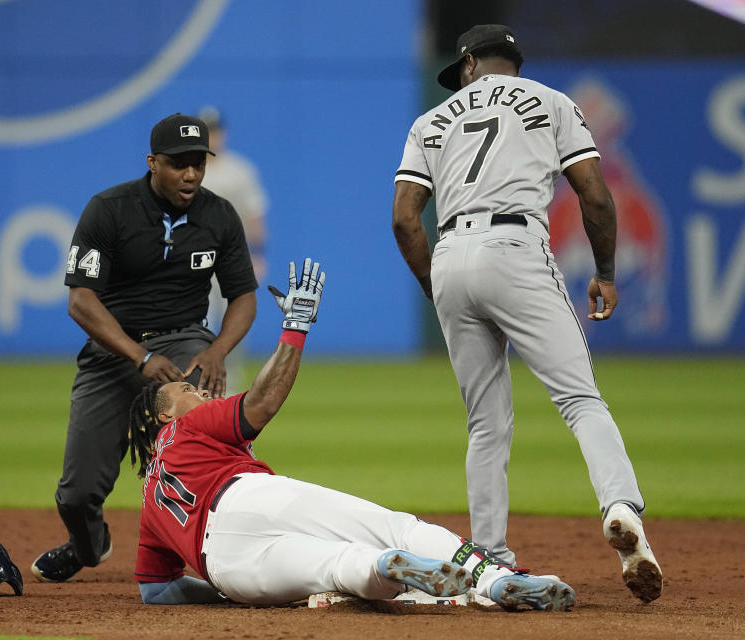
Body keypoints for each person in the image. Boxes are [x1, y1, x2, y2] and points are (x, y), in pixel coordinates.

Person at [131, 258, 576, 612]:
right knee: (395, 527)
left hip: (230, 571)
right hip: (244, 499)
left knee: (340, 567)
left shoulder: (150, 501)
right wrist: (295, 327)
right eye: (185, 390)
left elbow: (158, 591)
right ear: (162, 419)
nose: (197, 391)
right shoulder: (186, 426)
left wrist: (221, 592)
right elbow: (261, 403)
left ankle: (385, 569)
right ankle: (499, 580)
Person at [390, 24, 662, 603]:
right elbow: (593, 193)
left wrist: (434, 284)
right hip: (514, 248)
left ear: (467, 66)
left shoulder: (430, 120)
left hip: (451, 252)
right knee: (579, 399)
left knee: (486, 424)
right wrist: (607, 271)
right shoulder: (551, 101)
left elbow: (405, 218)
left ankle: (490, 561)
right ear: (512, 64)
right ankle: (620, 506)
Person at [31, 113, 259, 583]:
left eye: (199, 163)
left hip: (186, 342)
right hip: (115, 350)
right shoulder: (109, 209)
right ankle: (87, 545)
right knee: (76, 495)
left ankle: (214, 552)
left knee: (202, 453)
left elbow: (244, 297)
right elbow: (80, 300)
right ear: (153, 162)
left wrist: (216, 352)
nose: (192, 174)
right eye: (179, 164)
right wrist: (138, 357)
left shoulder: (218, 215)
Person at [198, 106, 269, 393]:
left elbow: (254, 216)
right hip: (194, 262)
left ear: (222, 134)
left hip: (231, 259)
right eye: (207, 131)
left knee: (233, 329)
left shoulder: (240, 171)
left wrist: (259, 254)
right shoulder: (189, 171)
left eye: (215, 131)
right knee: (196, 329)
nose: (212, 137)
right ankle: (194, 389)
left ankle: (230, 393)